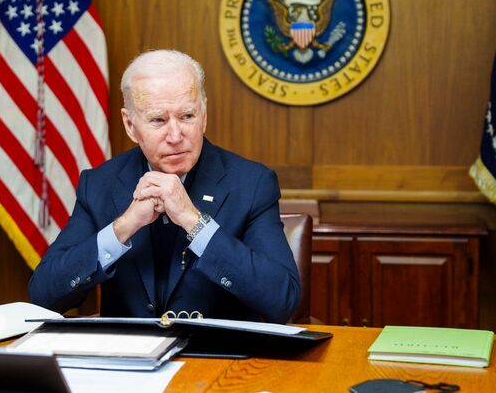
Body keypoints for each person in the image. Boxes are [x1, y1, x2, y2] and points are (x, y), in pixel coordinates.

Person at [28, 50, 300, 323]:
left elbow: (282, 300)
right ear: (130, 125)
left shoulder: (251, 184)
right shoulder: (99, 184)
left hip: (217, 349)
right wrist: (124, 226)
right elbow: (43, 295)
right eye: (158, 120)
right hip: (131, 349)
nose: (176, 136)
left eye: (187, 116)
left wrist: (194, 222)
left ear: (204, 115)